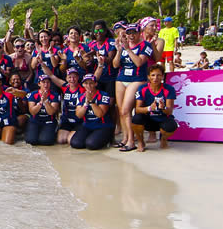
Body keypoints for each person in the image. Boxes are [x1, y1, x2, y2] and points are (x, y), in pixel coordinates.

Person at [113, 23, 153, 151]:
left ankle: (131, 140)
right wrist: (119, 51)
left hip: (137, 79)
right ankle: (125, 138)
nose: (131, 36)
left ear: (139, 33)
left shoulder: (145, 45)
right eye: (128, 33)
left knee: (126, 110)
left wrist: (128, 50)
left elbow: (139, 62)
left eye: (133, 33)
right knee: (121, 111)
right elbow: (115, 65)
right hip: (121, 78)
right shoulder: (123, 46)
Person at [131, 64, 178, 152]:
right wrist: (149, 108)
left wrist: (163, 108)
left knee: (171, 127)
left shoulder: (169, 89)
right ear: (148, 77)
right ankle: (141, 142)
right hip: (148, 119)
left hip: (162, 119)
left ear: (163, 76)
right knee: (136, 119)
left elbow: (169, 111)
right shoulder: (142, 88)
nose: (155, 78)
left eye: (158, 75)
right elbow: (137, 109)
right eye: (153, 75)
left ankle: (163, 139)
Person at [69, 73, 115, 150]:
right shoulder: (80, 97)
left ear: (95, 84)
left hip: (102, 125)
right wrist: (86, 103)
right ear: (83, 84)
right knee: (75, 143)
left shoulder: (103, 95)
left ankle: (108, 137)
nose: (88, 86)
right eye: (86, 83)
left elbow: (100, 114)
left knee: (91, 144)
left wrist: (91, 101)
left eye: (91, 83)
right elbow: (79, 115)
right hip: (87, 125)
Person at [24, 75, 60, 146]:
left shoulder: (54, 95)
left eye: (48, 82)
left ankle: (52, 131)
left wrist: (46, 101)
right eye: (43, 82)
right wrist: (40, 102)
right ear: (39, 84)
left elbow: (51, 112)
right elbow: (32, 111)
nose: (46, 85)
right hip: (35, 120)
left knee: (45, 141)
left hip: (49, 120)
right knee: (31, 141)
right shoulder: (33, 94)